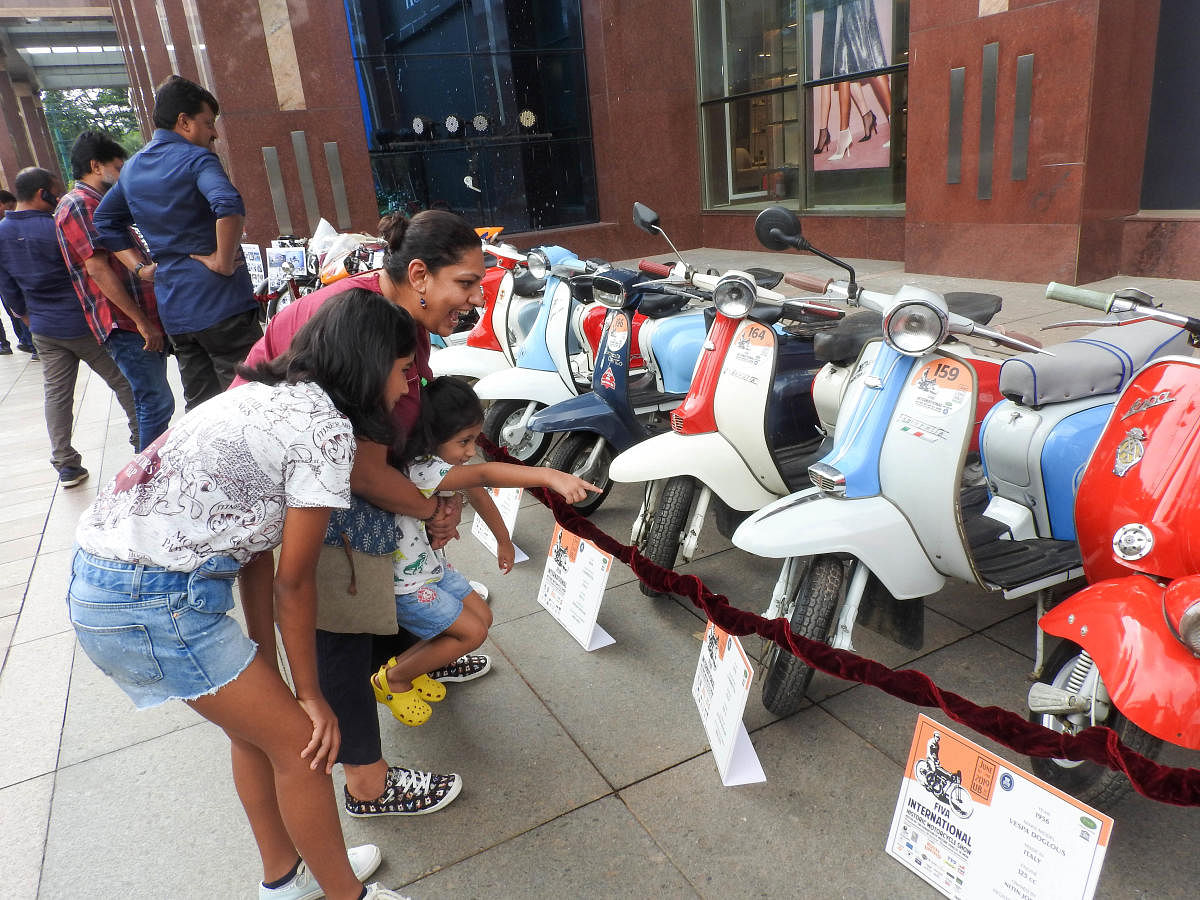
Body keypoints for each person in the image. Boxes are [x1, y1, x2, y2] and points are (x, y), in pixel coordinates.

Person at [68, 290, 415, 900]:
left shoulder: (263, 397)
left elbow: (254, 546)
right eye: (403, 367)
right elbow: (296, 579)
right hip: (153, 601)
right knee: (305, 748)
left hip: (106, 585)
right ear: (369, 360)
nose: (407, 384)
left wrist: (268, 660)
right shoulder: (326, 431)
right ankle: (344, 894)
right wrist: (310, 694)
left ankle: (284, 882)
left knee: (258, 732)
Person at [237, 208, 487, 817]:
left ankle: (417, 656)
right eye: (467, 283)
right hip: (304, 491)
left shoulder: (402, 317)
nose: (475, 299)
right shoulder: (360, 323)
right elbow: (362, 470)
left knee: (383, 589)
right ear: (420, 274)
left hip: (339, 484)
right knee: (341, 626)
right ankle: (367, 785)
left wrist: (432, 500)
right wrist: (428, 506)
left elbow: (395, 437)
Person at [373, 376, 599, 727]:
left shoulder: (443, 463)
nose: (469, 450)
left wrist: (503, 539)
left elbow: (478, 491)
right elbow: (484, 476)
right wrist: (549, 475)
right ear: (432, 435)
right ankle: (394, 680)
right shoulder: (422, 468)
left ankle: (410, 668)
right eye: (463, 441)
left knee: (482, 617)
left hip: (430, 569)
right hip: (408, 585)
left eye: (473, 440)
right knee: (471, 632)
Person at [94, 74, 261, 412]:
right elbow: (227, 204)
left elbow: (104, 221)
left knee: (200, 405)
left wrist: (140, 268)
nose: (212, 132)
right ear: (184, 122)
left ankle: (205, 466)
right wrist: (223, 261)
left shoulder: (132, 169)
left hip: (176, 309)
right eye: (207, 123)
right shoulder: (197, 159)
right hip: (222, 302)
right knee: (249, 402)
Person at [0, 167, 138, 487]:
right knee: (123, 380)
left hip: (43, 327)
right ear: (41, 194)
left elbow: (7, 288)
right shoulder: (55, 227)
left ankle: (66, 464)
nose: (59, 196)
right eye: (55, 190)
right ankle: (142, 438)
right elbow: (91, 270)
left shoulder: (2, 232)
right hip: (81, 322)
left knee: (57, 395)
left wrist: (26, 317)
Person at [56, 131, 175, 451]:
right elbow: (97, 269)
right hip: (124, 324)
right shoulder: (80, 204)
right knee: (156, 403)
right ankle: (146, 481)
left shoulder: (100, 204)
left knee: (153, 402)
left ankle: (147, 474)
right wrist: (141, 322)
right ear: (96, 166)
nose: (124, 176)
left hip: (134, 321)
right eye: (119, 168)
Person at [0, 187, 36, 356]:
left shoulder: (11, 224)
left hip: (18, 278)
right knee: (13, 306)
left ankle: (32, 342)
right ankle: (26, 340)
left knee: (17, 305)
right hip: (8, 279)